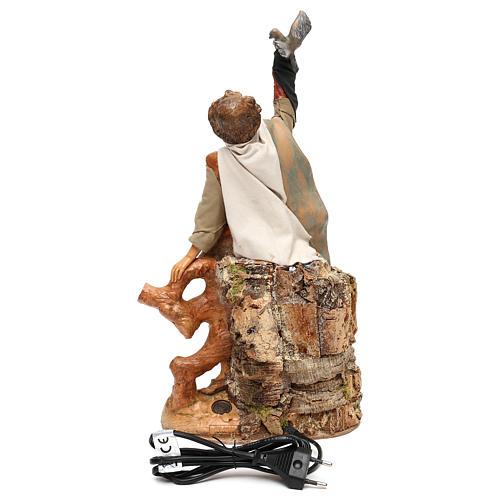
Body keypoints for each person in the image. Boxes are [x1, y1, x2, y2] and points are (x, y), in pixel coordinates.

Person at [171, 11, 330, 282]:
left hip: (258, 250)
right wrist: (283, 62)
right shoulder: (277, 132)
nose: (231, 91)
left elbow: (209, 218)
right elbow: (286, 101)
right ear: (256, 119)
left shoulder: (219, 162)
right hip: (307, 229)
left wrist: (190, 255)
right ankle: (285, 55)